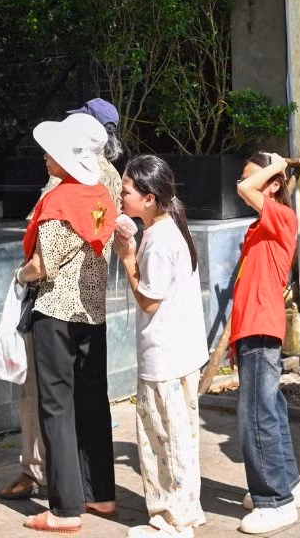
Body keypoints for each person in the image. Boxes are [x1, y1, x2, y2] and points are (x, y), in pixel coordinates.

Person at [0, 98, 125, 505]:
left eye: (51, 150)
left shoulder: (61, 197)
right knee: (92, 402)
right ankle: (100, 495)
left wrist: (18, 276)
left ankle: (65, 506)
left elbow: (42, 263)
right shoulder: (106, 189)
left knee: (55, 407)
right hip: (93, 306)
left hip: (56, 309)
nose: (44, 157)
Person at [116, 155, 208, 538]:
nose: (121, 197)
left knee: (163, 440)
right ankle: (187, 510)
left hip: (165, 356)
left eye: (126, 191)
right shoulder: (173, 229)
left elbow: (148, 301)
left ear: (149, 198)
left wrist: (126, 258)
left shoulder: (157, 241)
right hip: (183, 353)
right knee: (181, 437)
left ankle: (174, 520)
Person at [231, 152, 300, 534]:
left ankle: (274, 500)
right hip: (251, 327)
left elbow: (245, 189)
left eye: (257, 177)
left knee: (255, 416)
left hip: (261, 326)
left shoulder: (282, 217)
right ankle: (288, 484)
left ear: (274, 184)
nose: (244, 184)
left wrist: (277, 166)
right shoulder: (259, 226)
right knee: (269, 410)